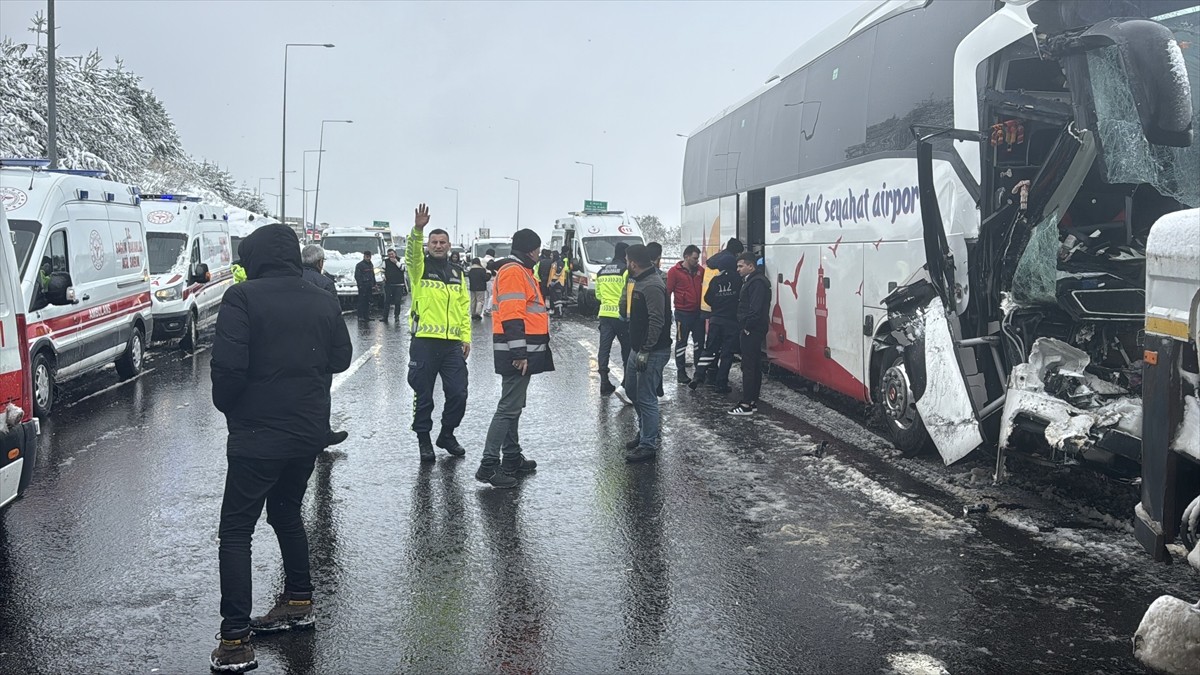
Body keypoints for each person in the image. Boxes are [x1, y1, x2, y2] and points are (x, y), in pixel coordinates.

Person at [209, 224, 352, 673]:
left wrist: (232, 407)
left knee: (237, 529)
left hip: (257, 436)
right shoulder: (323, 297)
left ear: (255, 257)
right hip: (307, 433)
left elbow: (227, 371)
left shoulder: (242, 298)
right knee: (287, 513)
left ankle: (235, 640)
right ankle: (298, 599)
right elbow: (341, 358)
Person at [478, 228, 551, 488]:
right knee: (508, 408)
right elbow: (512, 315)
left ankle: (511, 457)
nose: (539, 255)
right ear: (531, 250)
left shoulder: (520, 271)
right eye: (538, 250)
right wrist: (519, 353)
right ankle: (488, 465)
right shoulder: (514, 272)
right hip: (517, 351)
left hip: (520, 349)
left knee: (514, 406)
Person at [405, 204, 472, 462]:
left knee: (458, 393)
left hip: (452, 345)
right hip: (424, 342)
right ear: (428, 245)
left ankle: (447, 434)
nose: (438, 245)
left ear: (449, 245)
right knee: (423, 396)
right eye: (434, 242)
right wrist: (417, 230)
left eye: (442, 242)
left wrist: (466, 337)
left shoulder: (457, 273)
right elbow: (412, 254)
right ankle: (424, 439)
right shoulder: (419, 268)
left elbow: (464, 307)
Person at [622, 244, 672, 463]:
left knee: (646, 397)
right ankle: (645, 432)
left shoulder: (652, 285)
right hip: (638, 348)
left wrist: (646, 349)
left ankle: (648, 444)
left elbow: (657, 320)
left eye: (627, 261)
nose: (626, 264)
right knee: (631, 390)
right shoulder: (638, 280)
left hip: (652, 351)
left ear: (633, 263)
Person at [690, 249, 741, 394]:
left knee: (709, 350)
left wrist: (717, 305)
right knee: (727, 354)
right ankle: (721, 384)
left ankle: (698, 375)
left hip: (715, 320)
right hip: (731, 322)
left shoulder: (715, 280)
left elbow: (707, 298)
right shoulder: (737, 279)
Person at [730, 252, 770, 416]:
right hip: (754, 328)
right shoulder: (756, 281)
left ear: (751, 266)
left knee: (748, 366)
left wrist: (747, 326)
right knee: (753, 365)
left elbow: (755, 308)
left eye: (741, 266)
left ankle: (747, 403)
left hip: (752, 330)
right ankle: (751, 400)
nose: (738, 269)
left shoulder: (756, 283)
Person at [595, 241, 631, 397]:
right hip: (620, 316)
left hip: (604, 315)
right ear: (625, 255)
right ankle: (627, 383)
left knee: (604, 349)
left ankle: (604, 382)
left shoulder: (601, 271)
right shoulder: (625, 271)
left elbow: (598, 295)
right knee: (627, 349)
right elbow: (628, 294)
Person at [667, 244, 705, 384]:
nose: (697, 261)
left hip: (698, 313)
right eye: (694, 258)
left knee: (699, 343)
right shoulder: (674, 272)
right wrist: (667, 311)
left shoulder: (700, 271)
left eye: (698, 258)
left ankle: (699, 372)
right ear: (686, 257)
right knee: (681, 343)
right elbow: (668, 291)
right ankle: (681, 372)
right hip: (682, 313)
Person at [382, 248, 406, 323]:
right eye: (389, 254)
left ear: (395, 253)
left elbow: (403, 269)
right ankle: (385, 317)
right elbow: (382, 271)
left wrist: (396, 262)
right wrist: (383, 276)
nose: (391, 256)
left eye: (392, 254)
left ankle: (396, 316)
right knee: (387, 301)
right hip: (389, 284)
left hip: (399, 284)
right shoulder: (385, 261)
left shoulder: (400, 260)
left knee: (397, 301)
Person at [354, 251, 375, 321]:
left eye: (369, 257)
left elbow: (372, 275)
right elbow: (357, 276)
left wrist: (374, 284)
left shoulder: (370, 264)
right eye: (367, 257)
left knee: (368, 301)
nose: (368, 258)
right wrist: (360, 285)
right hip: (363, 286)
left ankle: (366, 316)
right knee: (361, 301)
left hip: (369, 285)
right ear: (364, 256)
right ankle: (360, 316)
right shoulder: (360, 265)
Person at [482, 248, 496, 313]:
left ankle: (485, 309)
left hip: (485, 279)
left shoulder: (483, 260)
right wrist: (495, 273)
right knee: (492, 294)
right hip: (491, 279)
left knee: (486, 296)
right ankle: (489, 308)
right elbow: (491, 269)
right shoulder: (490, 260)